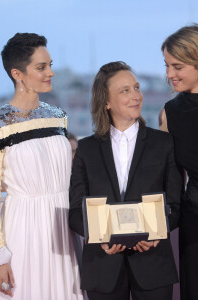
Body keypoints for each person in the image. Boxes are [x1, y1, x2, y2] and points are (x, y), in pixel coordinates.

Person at [0, 33, 83, 300]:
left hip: (64, 227)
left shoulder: (58, 117)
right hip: (24, 229)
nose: (51, 72)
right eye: (41, 67)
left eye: (50, 64)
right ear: (17, 73)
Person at [69, 61, 182, 300]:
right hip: (102, 266)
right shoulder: (86, 149)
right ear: (106, 102)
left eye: (137, 87)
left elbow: (176, 204)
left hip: (154, 264)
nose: (136, 96)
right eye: (125, 90)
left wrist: (157, 233)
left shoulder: (163, 143)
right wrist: (100, 239)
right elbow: (76, 213)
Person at [159, 24, 198, 300]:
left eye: (177, 66)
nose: (169, 74)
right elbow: (169, 176)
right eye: (167, 66)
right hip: (194, 222)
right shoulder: (170, 112)